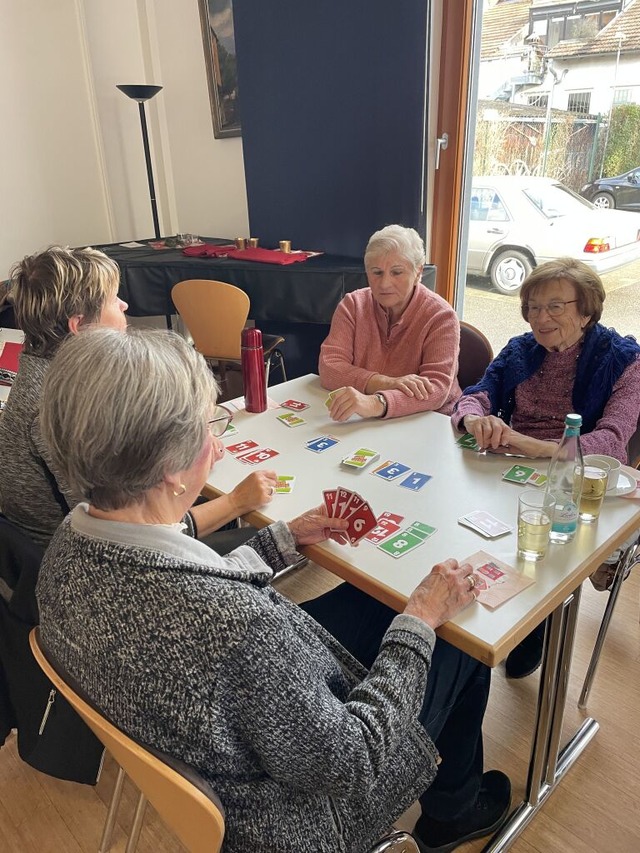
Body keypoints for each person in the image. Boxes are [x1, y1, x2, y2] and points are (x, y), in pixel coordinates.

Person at [37, 327, 511, 853]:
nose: (216, 443)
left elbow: (188, 576)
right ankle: (454, 811)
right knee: (461, 637)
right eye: (208, 424)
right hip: (302, 816)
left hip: (211, 736)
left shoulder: (66, 549)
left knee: (374, 598)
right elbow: (348, 763)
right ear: (170, 470)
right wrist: (421, 619)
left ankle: (454, 792)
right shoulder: (239, 629)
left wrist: (282, 540)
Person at [0, 245, 275, 549]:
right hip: (84, 559)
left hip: (66, 547)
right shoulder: (60, 409)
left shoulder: (45, 374)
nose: (124, 305)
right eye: (112, 300)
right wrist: (236, 502)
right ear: (79, 326)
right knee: (261, 538)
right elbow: (123, 535)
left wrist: (190, 453)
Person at [452, 257, 640, 678]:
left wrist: (537, 447)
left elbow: (612, 440)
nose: (541, 317)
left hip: (582, 482)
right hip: (514, 468)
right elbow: (475, 394)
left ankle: (541, 615)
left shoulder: (625, 360)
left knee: (546, 537)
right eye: (533, 307)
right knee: (477, 526)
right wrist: (474, 418)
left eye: (556, 306)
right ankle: (506, 619)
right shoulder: (521, 350)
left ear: (586, 310)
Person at [319, 224, 461, 421]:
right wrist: (386, 383)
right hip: (366, 419)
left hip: (430, 420)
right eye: (377, 272)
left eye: (396, 272)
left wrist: (377, 403)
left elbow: (436, 390)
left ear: (418, 272)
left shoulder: (441, 316)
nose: (384, 284)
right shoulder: (353, 305)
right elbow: (329, 367)